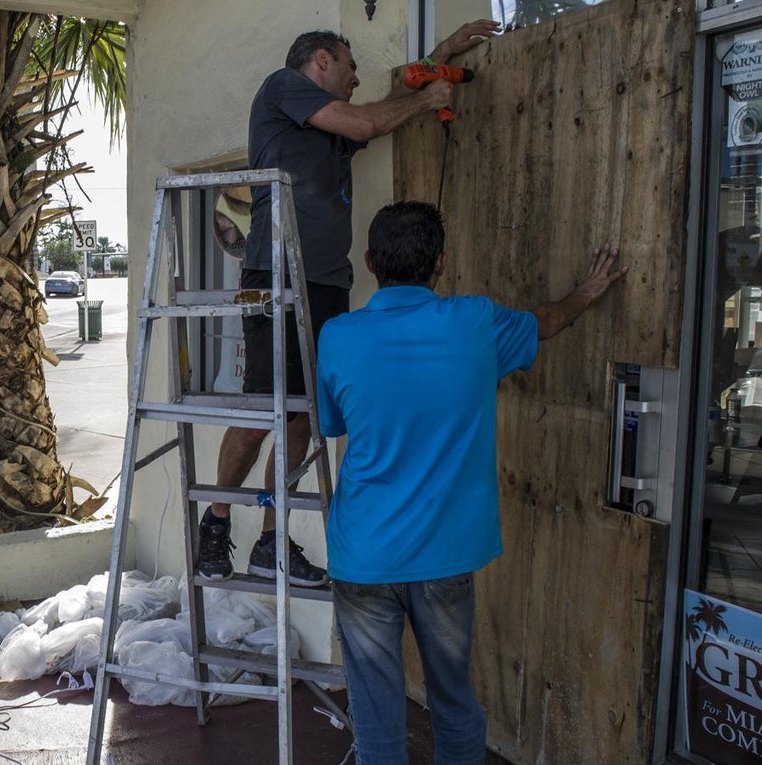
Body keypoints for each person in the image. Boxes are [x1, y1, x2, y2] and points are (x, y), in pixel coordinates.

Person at [315, 202, 628, 763]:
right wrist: (587, 291)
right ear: (440, 262)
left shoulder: (337, 337)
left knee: (377, 720)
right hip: (445, 560)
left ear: (368, 261)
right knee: (455, 706)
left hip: (363, 557)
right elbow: (548, 320)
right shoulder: (477, 324)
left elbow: (333, 423)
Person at [198, 21, 501, 587]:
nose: (358, 78)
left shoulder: (333, 129)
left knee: (300, 422)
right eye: (349, 66)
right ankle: (215, 523)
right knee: (259, 416)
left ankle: (271, 540)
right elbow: (369, 118)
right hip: (276, 276)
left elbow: (383, 110)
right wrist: (429, 96)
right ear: (319, 61)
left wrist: (440, 57)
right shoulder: (281, 88)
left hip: (327, 283)